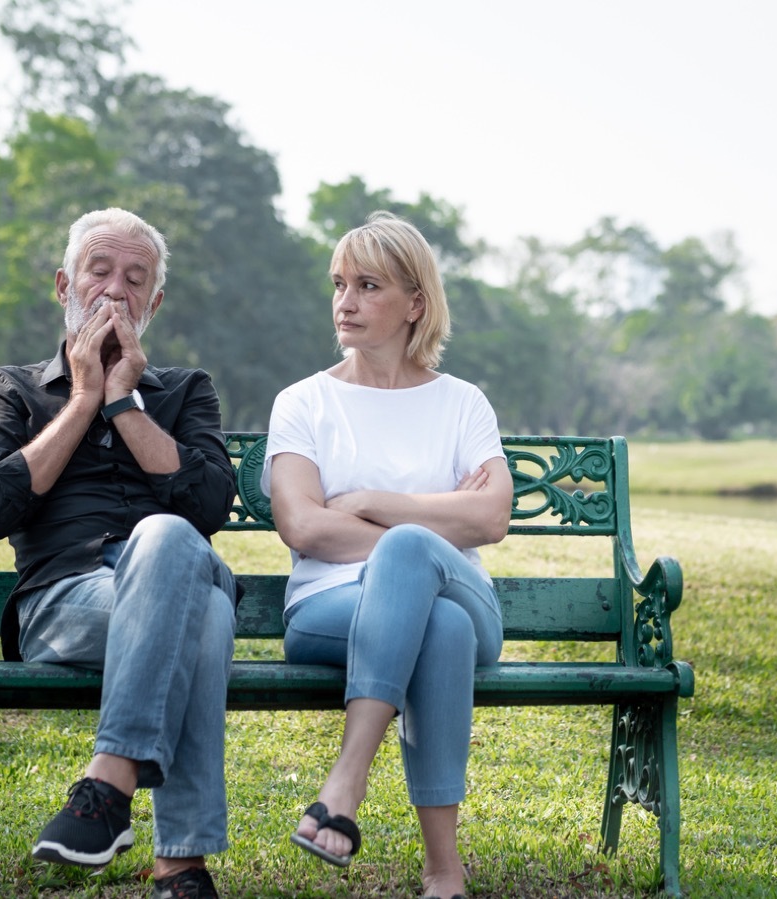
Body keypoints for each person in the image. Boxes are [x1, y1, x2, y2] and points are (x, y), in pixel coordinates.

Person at [0, 208, 237, 899]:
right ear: (65, 285)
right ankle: (182, 867)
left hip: (171, 576)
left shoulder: (184, 390)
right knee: (204, 619)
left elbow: (207, 507)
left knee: (173, 536)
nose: (116, 291)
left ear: (155, 304)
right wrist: (84, 397)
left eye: (135, 279)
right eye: (100, 271)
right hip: (65, 602)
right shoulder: (9, 386)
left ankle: (106, 790)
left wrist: (125, 404)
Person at [264, 211, 512, 899]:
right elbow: (305, 527)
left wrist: (374, 499)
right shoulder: (304, 403)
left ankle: (347, 781)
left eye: (368, 285)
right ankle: (444, 873)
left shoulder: (463, 404)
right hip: (327, 609)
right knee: (440, 624)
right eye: (339, 283)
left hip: (469, 596)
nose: (346, 300)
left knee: (422, 570)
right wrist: (435, 532)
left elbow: (491, 515)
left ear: (415, 304)